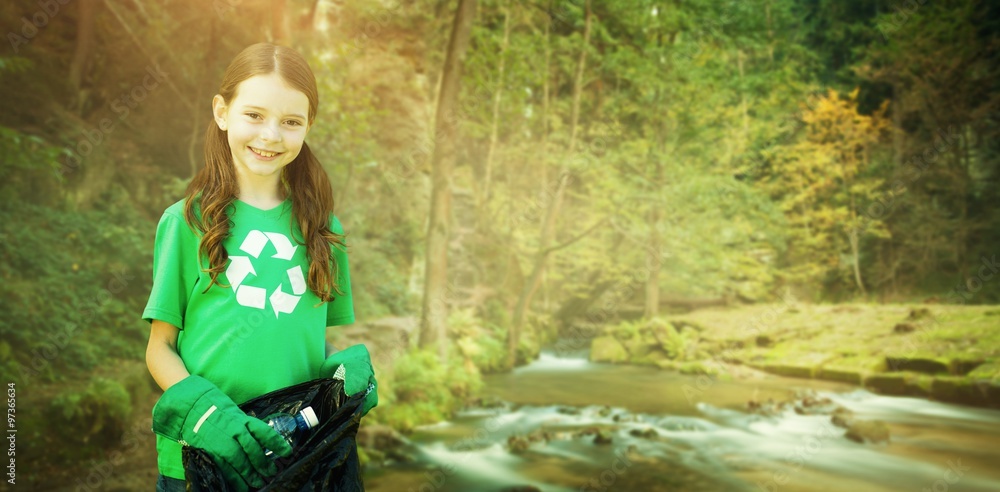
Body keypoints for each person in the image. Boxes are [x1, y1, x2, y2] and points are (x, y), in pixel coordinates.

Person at [143, 43, 377, 492]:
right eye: (254, 115)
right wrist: (207, 414)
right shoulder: (187, 221)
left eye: (291, 122)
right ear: (222, 111)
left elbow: (308, 341)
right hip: (199, 457)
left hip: (297, 456)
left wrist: (345, 383)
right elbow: (159, 349)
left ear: (308, 126)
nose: (270, 136)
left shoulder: (324, 229)